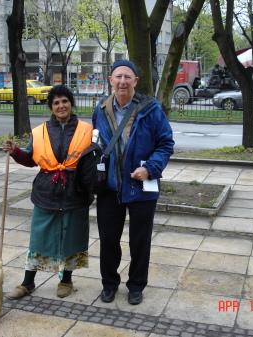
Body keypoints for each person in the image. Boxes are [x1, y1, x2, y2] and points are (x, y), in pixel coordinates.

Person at [92, 59, 174, 305]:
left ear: (136, 81)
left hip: (141, 187)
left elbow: (165, 144)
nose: (122, 81)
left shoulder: (151, 109)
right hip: (109, 188)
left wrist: (150, 168)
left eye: (128, 77)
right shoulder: (101, 109)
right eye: (118, 77)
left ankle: (136, 285)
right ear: (110, 81)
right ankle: (109, 283)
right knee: (108, 239)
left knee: (140, 241)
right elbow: (95, 144)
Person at [2, 85, 94, 299]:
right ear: (51, 107)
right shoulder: (40, 131)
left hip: (76, 191)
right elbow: (30, 159)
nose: (61, 106)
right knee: (39, 237)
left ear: (71, 103)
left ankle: (66, 280)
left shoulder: (87, 130)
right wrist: (15, 151)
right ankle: (28, 282)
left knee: (72, 236)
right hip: (46, 192)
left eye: (65, 101)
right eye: (56, 102)